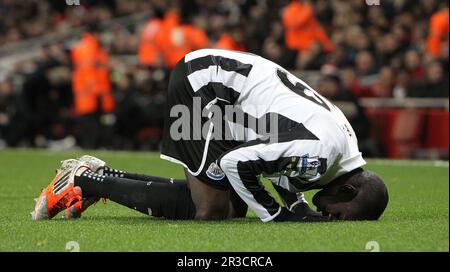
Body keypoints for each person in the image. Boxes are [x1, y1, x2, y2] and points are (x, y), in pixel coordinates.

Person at [32, 49, 388, 222]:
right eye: (340, 214)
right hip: (206, 85)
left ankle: (98, 175)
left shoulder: (344, 146)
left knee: (233, 206)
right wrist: (277, 215)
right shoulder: (324, 156)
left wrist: (293, 202)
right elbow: (239, 162)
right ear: (348, 188)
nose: (330, 217)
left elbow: (279, 158)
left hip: (230, 91)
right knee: (212, 210)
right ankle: (85, 180)